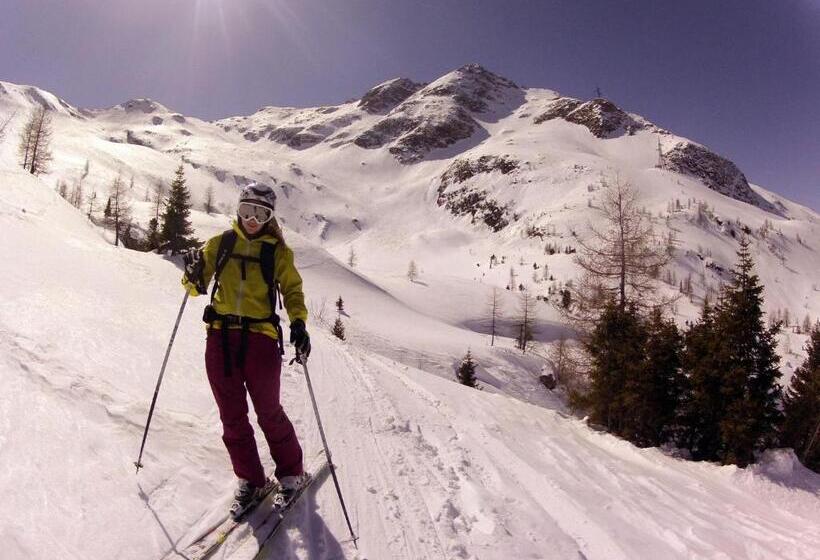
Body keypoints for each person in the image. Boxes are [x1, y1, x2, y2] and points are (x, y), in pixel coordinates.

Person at [181, 182, 312, 519]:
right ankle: (251, 479)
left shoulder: (277, 252)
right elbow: (196, 288)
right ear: (238, 210)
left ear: (270, 218)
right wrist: (192, 275)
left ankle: (291, 472)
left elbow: (293, 290)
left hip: (260, 339)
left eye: (261, 213)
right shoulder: (220, 244)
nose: (252, 220)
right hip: (221, 338)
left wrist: (298, 321)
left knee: (268, 411)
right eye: (247, 211)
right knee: (232, 415)